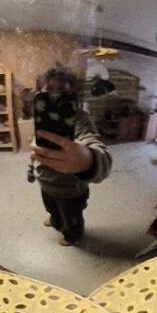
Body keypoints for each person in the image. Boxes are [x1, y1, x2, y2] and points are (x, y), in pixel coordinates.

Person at [28, 65, 111, 247]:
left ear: (72, 93)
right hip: (45, 181)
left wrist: (88, 160)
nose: (55, 95)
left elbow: (94, 143)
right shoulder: (42, 114)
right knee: (51, 206)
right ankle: (55, 218)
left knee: (72, 216)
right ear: (40, 92)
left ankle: (72, 236)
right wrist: (31, 168)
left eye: (62, 90)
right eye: (49, 90)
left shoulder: (80, 118)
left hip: (70, 188)